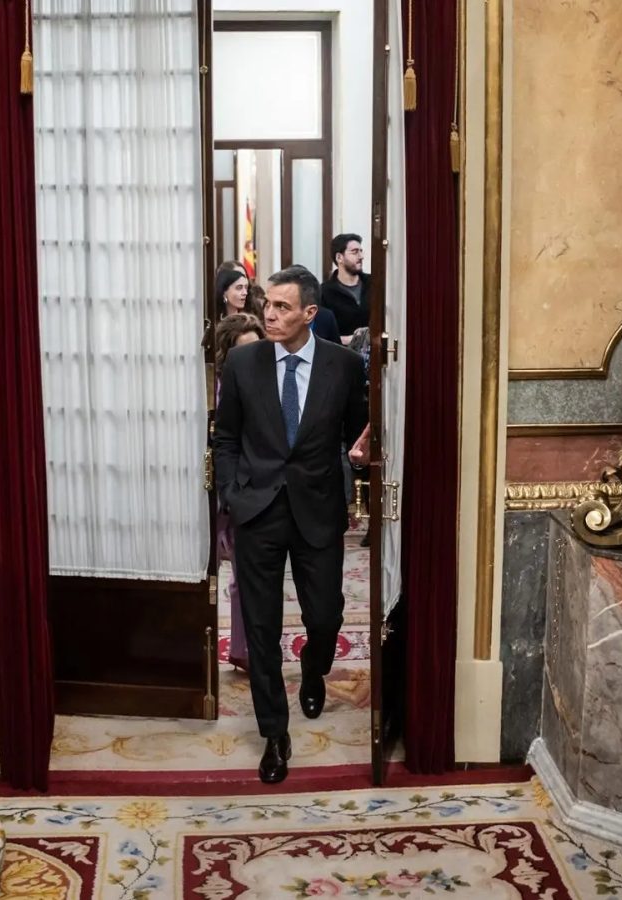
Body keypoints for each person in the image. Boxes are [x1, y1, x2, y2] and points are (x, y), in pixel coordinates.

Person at [214, 265, 370, 784]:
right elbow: (227, 437)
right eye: (267, 305)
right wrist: (233, 493)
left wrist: (358, 467)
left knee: (324, 614)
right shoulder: (242, 363)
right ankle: (274, 733)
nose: (269, 314)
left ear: (309, 313)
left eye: (282, 307)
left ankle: (313, 668)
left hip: (318, 509)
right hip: (257, 511)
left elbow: (354, 436)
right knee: (261, 628)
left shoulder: (344, 366)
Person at [213, 312, 266, 672]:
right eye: (241, 352)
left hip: (260, 488)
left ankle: (247, 649)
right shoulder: (219, 388)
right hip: (227, 489)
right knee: (230, 576)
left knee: (250, 578)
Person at [319, 233, 371, 342]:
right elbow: (321, 336)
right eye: (355, 252)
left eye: (361, 251)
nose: (361, 256)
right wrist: (352, 340)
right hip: (341, 355)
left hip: (375, 354)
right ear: (339, 257)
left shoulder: (374, 284)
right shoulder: (324, 292)